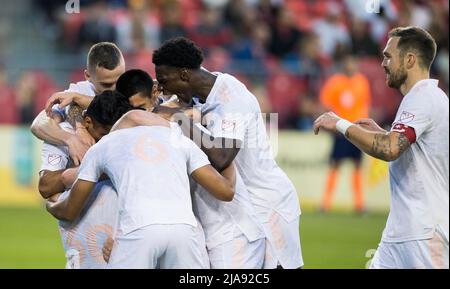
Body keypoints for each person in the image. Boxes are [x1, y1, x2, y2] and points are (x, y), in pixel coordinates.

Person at [120, 37, 303, 268]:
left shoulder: (231, 99)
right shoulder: (198, 94)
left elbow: (221, 157)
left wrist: (178, 119)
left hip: (268, 202)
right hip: (241, 209)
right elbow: (142, 106)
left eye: (165, 81)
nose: (163, 88)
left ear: (184, 75)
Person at [313, 26, 449, 269]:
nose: (383, 63)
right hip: (401, 231)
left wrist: (340, 123)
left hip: (424, 234)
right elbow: (409, 148)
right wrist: (382, 132)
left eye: (388, 56)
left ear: (409, 59)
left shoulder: (423, 98)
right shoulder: (423, 98)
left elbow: (390, 149)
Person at [46, 109, 237, 269]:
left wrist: (51, 204)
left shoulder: (103, 145)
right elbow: (226, 191)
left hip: (138, 230)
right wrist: (228, 158)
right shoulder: (178, 138)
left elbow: (70, 210)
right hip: (184, 232)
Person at [115, 69, 266, 268]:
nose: (141, 117)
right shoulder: (155, 134)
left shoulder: (183, 129)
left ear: (153, 98)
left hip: (232, 233)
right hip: (205, 236)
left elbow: (226, 186)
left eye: (143, 109)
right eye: (133, 113)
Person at [38, 90, 134, 268]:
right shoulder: (63, 134)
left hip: (126, 240)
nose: (111, 142)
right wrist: (79, 173)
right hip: (84, 243)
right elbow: (46, 187)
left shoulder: (131, 137)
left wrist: (94, 169)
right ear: (88, 122)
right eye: (106, 135)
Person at [31, 42, 126, 165]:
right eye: (106, 84)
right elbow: (38, 125)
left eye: (118, 81)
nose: (114, 89)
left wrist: (77, 98)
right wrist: (70, 139)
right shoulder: (79, 90)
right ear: (88, 76)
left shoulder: (132, 88)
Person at [319, 54, 372, 213]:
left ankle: (359, 204)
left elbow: (365, 105)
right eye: (348, 62)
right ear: (344, 64)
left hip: (356, 129)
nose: (351, 65)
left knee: (357, 166)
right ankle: (325, 203)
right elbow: (326, 104)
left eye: (353, 62)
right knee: (335, 165)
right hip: (340, 130)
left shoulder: (362, 81)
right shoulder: (335, 82)